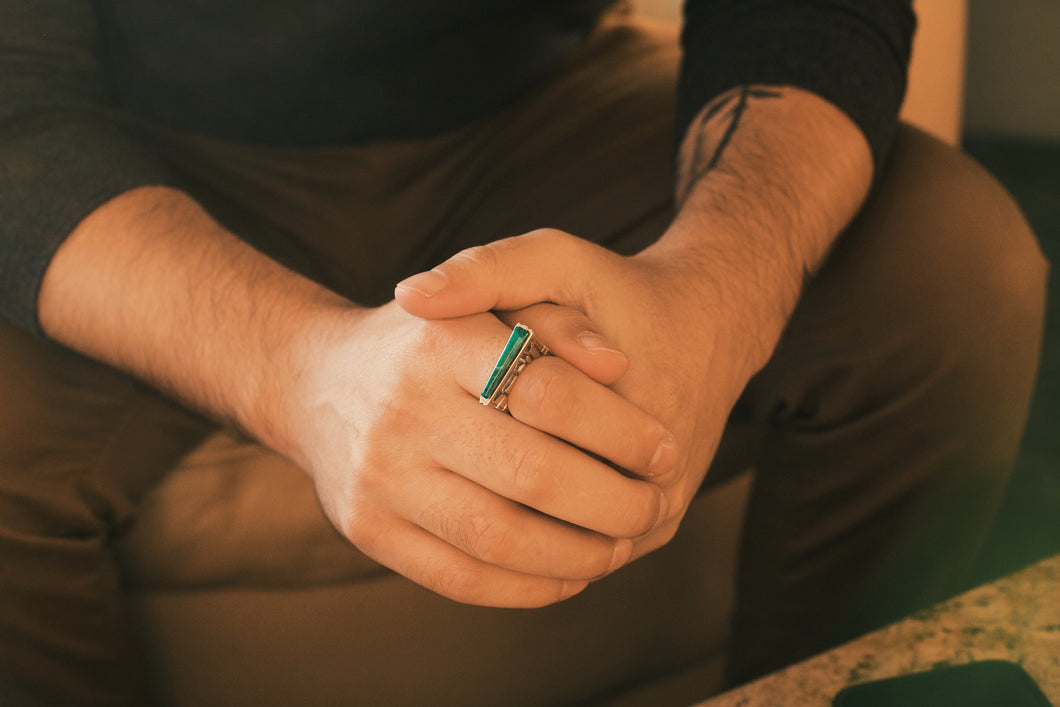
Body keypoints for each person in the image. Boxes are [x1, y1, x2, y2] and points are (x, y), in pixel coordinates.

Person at [0, 0, 1047, 704]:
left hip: (540, 104)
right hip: (119, 148)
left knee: (951, 262)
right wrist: (300, 369)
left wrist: (717, 292)